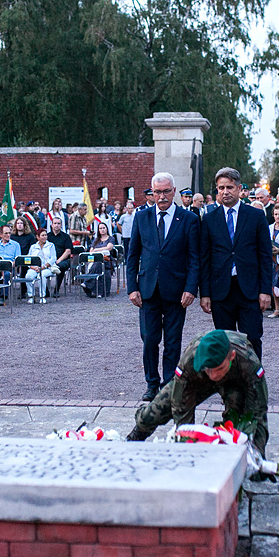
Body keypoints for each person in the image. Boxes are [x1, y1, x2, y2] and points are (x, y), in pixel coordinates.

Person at [126, 330, 268, 457]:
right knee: (153, 413)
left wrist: (257, 457)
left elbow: (258, 414)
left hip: (235, 382)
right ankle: (133, 438)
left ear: (232, 356)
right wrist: (186, 448)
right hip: (199, 379)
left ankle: (232, 458)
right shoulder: (191, 359)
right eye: (209, 369)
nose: (213, 375)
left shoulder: (249, 362)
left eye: (218, 368)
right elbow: (181, 408)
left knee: (238, 422)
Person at [127, 172, 201, 401]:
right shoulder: (142, 217)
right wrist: (132, 288)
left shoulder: (188, 219)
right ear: (151, 193)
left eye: (166, 191)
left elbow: (194, 258)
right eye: (157, 192)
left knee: (172, 341)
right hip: (147, 289)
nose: (161, 196)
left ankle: (169, 385)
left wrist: (191, 288)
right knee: (149, 339)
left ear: (174, 191)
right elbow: (133, 255)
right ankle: (151, 383)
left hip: (177, 291)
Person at [199, 167, 273, 359]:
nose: (225, 192)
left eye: (230, 187)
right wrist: (204, 293)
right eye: (221, 188)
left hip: (249, 289)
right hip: (221, 290)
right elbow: (205, 259)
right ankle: (230, 384)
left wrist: (266, 290)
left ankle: (253, 383)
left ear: (239, 189)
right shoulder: (208, 219)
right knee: (225, 342)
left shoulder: (256, 217)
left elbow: (265, 256)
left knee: (252, 339)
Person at [83, 221, 116, 298]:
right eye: (100, 228)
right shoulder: (96, 240)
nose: (102, 230)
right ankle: (99, 292)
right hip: (95, 260)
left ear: (107, 229)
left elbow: (109, 248)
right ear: (98, 230)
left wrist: (97, 250)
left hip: (107, 260)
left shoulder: (111, 239)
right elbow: (91, 250)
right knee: (98, 264)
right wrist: (96, 250)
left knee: (99, 263)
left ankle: (87, 282)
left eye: (104, 228)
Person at [25, 228, 57, 303]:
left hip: (47, 268)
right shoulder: (33, 247)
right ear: (38, 237)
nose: (45, 237)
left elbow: (53, 258)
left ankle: (42, 296)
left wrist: (43, 267)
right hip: (34, 268)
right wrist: (32, 267)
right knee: (28, 276)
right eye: (42, 235)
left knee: (41, 275)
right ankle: (31, 296)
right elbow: (28, 259)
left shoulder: (51, 245)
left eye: (46, 235)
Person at [47, 216, 73, 296]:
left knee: (60, 266)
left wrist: (58, 260)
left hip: (62, 260)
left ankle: (56, 290)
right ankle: (46, 291)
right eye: (55, 223)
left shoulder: (66, 237)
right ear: (51, 225)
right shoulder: (47, 236)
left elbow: (68, 251)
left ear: (61, 225)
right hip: (49, 260)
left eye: (58, 223)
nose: (57, 225)